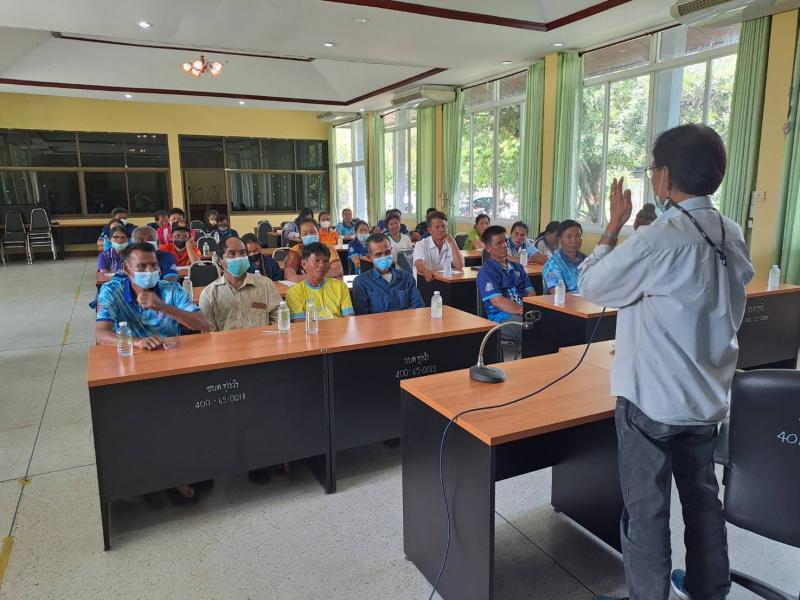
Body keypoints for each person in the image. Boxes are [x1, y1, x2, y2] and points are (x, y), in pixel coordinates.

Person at [581, 124, 754, 600]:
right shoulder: (731, 232)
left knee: (647, 511)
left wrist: (613, 226)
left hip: (651, 402)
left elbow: (592, 285)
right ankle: (708, 589)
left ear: (664, 176)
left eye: (654, 169)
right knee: (702, 502)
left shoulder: (657, 238)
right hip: (706, 399)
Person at [95, 242, 211, 505]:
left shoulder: (170, 289)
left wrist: (162, 307)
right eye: (142, 267)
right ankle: (159, 476)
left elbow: (204, 324)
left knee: (186, 418)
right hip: (131, 369)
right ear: (127, 269)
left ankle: (182, 469)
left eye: (153, 265)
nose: (149, 271)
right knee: (145, 423)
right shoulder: (112, 291)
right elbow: (101, 334)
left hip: (172, 366)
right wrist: (136, 342)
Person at [199, 237, 282, 332]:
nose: (239, 258)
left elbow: (279, 319)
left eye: (243, 253)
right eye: (232, 254)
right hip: (226, 341)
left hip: (262, 340)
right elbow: (209, 333)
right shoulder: (209, 295)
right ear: (219, 261)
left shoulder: (266, 285)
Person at [476, 226, 534, 342]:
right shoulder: (486, 272)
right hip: (503, 319)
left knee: (552, 324)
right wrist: (522, 310)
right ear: (488, 248)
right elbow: (498, 301)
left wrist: (529, 311)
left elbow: (531, 293)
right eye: (499, 243)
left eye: (506, 241)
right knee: (534, 332)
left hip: (525, 313)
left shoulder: (518, 267)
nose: (504, 245)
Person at [352, 233, 423, 315]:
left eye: (387, 252)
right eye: (378, 254)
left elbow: (418, 306)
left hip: (405, 321)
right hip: (376, 323)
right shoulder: (361, 282)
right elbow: (361, 316)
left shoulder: (406, 277)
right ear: (369, 257)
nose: (384, 257)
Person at [285, 243, 354, 321]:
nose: (321, 265)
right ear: (304, 264)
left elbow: (349, 319)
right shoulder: (294, 292)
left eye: (325, 261)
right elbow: (300, 324)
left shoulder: (341, 287)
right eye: (316, 261)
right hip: (311, 328)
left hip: (339, 328)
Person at [412, 210, 464, 281]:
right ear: (429, 230)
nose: (441, 229)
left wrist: (452, 242)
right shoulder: (421, 244)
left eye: (444, 226)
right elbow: (419, 264)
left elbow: (460, 266)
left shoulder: (449, 243)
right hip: (426, 280)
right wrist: (426, 271)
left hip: (444, 281)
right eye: (437, 227)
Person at [542, 220, 586, 293]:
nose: (574, 240)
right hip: (566, 300)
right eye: (569, 236)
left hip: (590, 299)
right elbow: (557, 293)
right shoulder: (553, 264)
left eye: (577, 236)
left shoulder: (586, 260)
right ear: (560, 239)